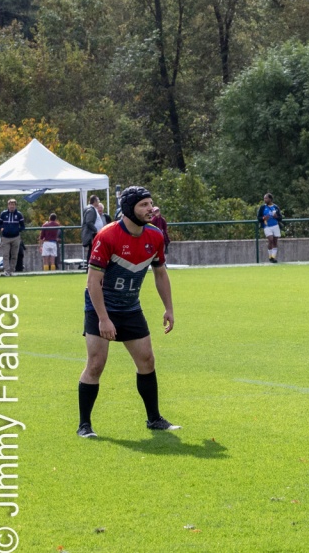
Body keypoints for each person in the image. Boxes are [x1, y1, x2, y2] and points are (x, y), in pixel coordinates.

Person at [78, 186, 179, 438]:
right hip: (100, 307)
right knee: (96, 364)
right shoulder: (107, 235)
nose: (150, 209)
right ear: (128, 208)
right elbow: (93, 282)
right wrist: (103, 319)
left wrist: (168, 308)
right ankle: (84, 425)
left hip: (130, 306)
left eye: (150, 203)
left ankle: (154, 419)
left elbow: (160, 273)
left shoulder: (155, 235)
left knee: (147, 361)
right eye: (143, 204)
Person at [0, 199, 25, 277]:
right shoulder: (3, 213)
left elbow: (23, 226)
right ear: (8, 205)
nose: (12, 206)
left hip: (15, 237)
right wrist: (2, 228)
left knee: (14, 255)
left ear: (15, 206)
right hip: (5, 237)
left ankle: (12, 270)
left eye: (13, 205)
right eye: (10, 204)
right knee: (5, 254)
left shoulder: (19, 214)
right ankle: (6, 270)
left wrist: (17, 230)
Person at [258, 194, 283, 263]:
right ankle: (270, 256)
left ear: (270, 199)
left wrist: (276, 217)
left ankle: (273, 257)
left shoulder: (275, 207)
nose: (265, 200)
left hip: (275, 226)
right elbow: (259, 217)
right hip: (267, 226)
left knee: (275, 241)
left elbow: (280, 217)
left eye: (266, 198)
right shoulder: (262, 207)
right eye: (264, 198)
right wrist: (263, 218)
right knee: (270, 240)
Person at [81, 195, 106, 262]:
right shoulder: (91, 210)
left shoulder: (92, 209)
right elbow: (89, 222)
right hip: (92, 234)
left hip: (94, 234)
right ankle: (90, 264)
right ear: (94, 201)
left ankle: (91, 264)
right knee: (92, 250)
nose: (99, 202)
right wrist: (96, 230)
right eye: (98, 200)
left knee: (93, 249)